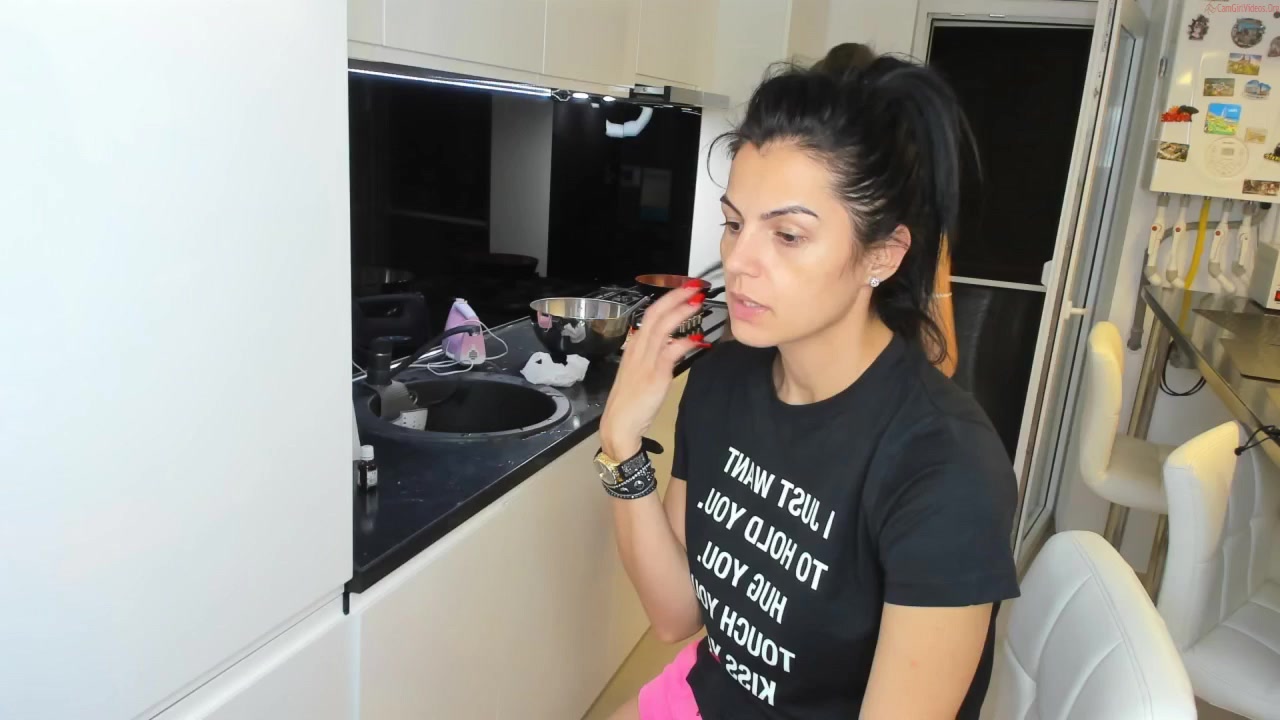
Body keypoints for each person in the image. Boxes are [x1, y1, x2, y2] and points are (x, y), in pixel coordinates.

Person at [593, 43, 1018, 720]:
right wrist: (620, 443)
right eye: (734, 224)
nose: (738, 261)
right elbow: (676, 615)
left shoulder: (944, 468)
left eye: (787, 235)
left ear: (882, 255)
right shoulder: (723, 380)